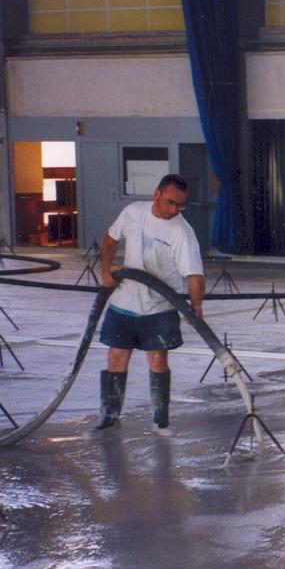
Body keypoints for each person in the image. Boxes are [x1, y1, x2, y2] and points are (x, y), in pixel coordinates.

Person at [96, 174, 205, 436]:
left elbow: (195, 276)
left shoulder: (182, 232)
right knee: (115, 356)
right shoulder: (133, 212)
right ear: (156, 195)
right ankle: (109, 416)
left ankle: (160, 419)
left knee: (157, 358)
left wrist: (196, 308)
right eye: (170, 203)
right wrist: (107, 270)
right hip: (124, 300)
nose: (174, 210)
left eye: (180, 205)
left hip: (159, 305)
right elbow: (111, 239)